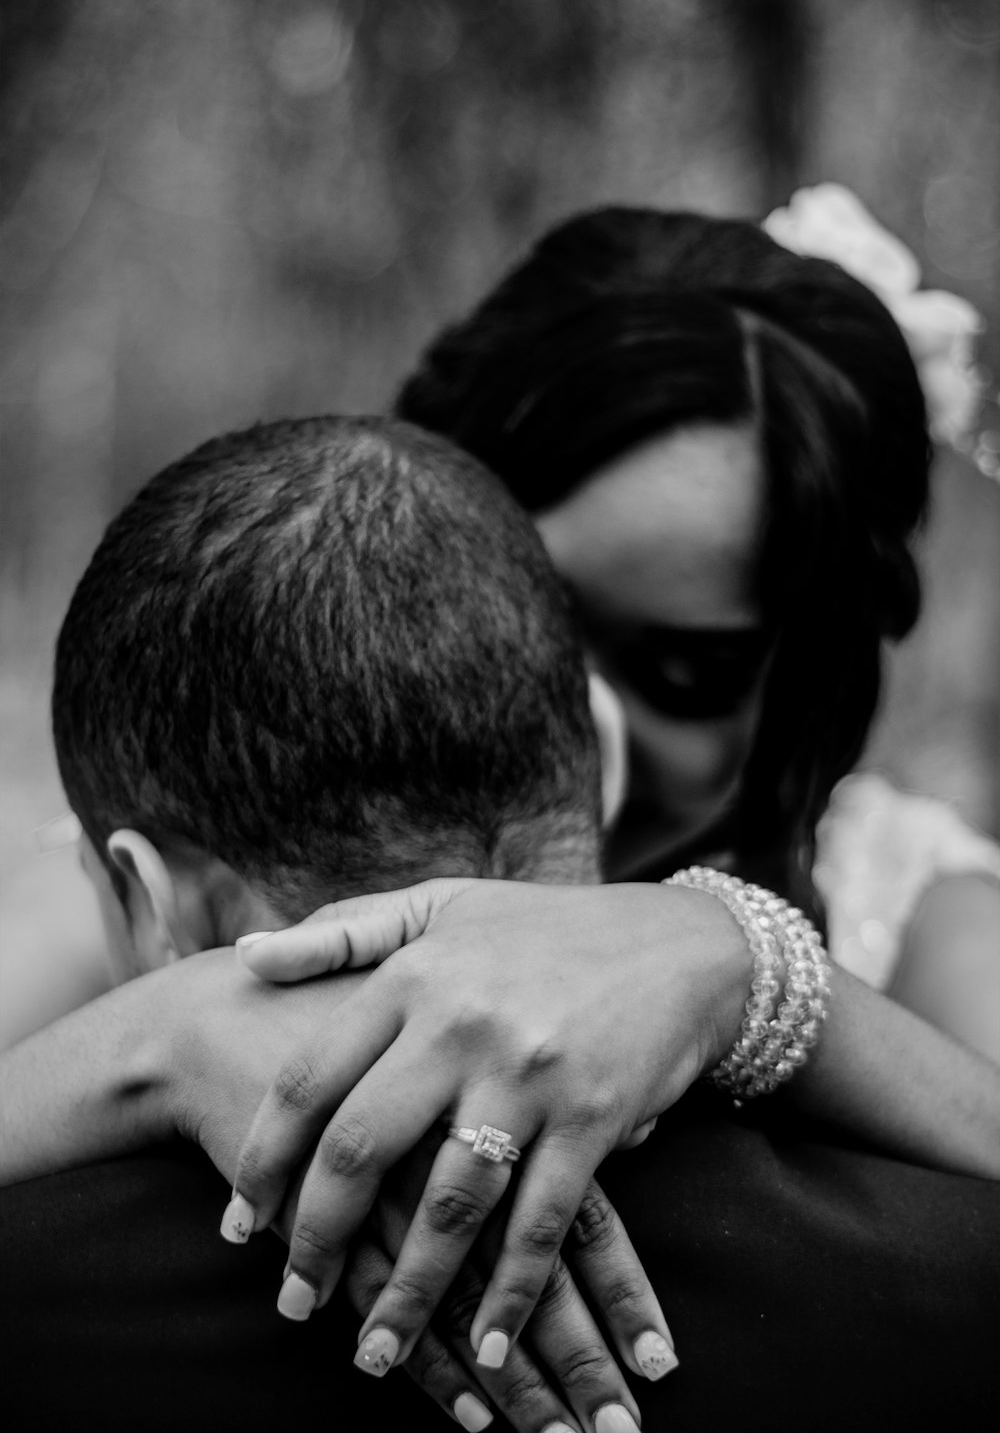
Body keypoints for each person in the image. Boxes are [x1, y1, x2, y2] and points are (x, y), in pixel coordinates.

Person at [2, 207, 998, 1388]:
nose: (581, 715)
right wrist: (164, 1031)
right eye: (528, 621)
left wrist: (744, 962)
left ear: (805, 682)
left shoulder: (915, 908)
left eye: (684, 670)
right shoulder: (172, 858)